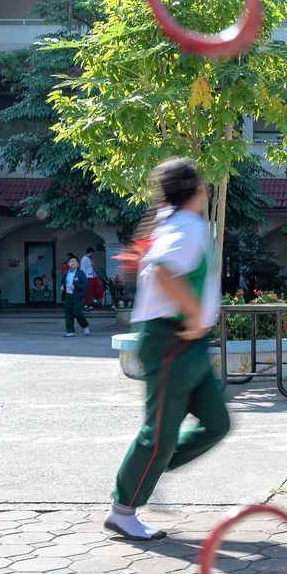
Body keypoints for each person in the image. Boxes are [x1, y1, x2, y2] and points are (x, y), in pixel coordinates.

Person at [104, 158, 229, 540]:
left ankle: (148, 472)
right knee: (158, 434)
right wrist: (193, 314)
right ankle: (124, 509)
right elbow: (160, 269)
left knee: (216, 422)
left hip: (186, 341)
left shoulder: (175, 223)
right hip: (171, 338)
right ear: (198, 191)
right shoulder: (184, 226)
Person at [61, 255, 91, 337]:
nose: (73, 263)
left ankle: (85, 326)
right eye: (71, 261)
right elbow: (63, 282)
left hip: (77, 296)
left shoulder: (80, 273)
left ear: (78, 264)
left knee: (78, 313)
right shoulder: (65, 273)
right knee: (68, 313)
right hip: (68, 295)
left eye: (75, 262)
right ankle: (70, 331)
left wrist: (76, 286)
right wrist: (62, 287)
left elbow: (86, 284)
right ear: (68, 264)